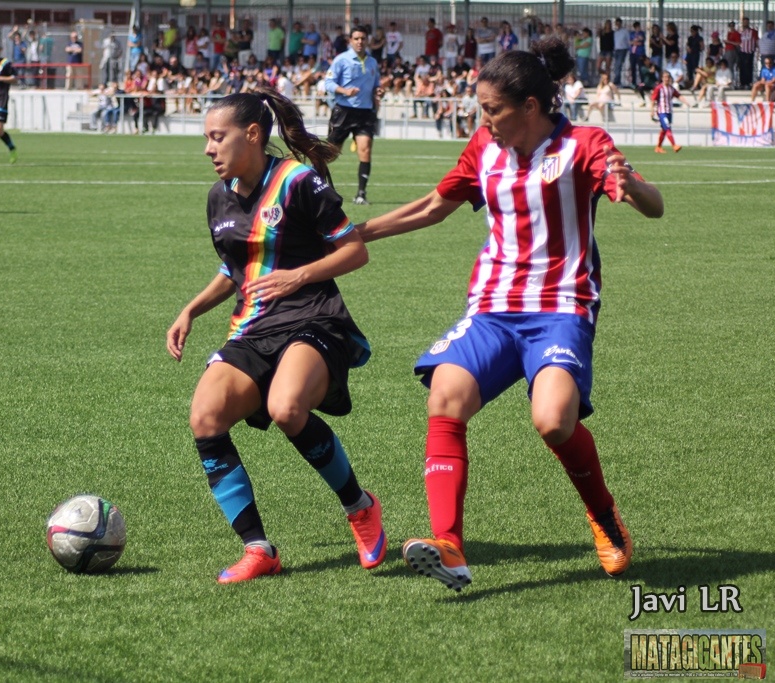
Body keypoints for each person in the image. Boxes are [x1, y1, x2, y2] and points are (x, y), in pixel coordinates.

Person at [354, 36, 663, 591]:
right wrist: (360, 231)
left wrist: (631, 183)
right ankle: (448, 545)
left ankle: (604, 515)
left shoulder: (586, 144)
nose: (484, 119)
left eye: (492, 109)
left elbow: (653, 205)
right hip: (493, 308)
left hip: (561, 308)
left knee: (553, 420)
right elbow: (433, 206)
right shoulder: (482, 148)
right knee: (444, 397)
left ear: (530, 108)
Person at [166, 87, 387, 584]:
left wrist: (299, 275)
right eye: (206, 138)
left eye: (217, 137)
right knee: (205, 417)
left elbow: (354, 251)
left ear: (251, 134)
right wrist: (191, 309)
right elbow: (234, 269)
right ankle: (258, 548)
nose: (208, 148)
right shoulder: (217, 198)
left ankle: (360, 506)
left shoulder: (297, 181)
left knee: (287, 408)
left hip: (313, 317)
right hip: (253, 327)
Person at [324, 26, 384, 205]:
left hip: (365, 113)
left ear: (367, 40)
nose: (360, 42)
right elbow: (328, 83)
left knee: (365, 150)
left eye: (363, 38)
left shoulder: (372, 62)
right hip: (343, 111)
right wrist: (344, 91)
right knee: (330, 154)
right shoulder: (341, 60)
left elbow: (376, 85)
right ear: (350, 40)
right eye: (356, 38)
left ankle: (361, 194)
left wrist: (378, 91)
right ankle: (311, 182)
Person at [650, 70, 688, 153]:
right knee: (667, 127)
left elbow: (679, 96)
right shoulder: (659, 88)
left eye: (668, 77)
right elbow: (653, 100)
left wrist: (686, 102)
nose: (666, 79)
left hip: (669, 112)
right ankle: (674, 145)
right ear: (662, 78)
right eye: (665, 77)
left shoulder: (671, 88)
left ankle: (658, 147)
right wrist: (652, 111)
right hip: (662, 112)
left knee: (664, 130)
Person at [738, 17, 759, 89]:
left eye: (747, 22)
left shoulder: (753, 31)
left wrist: (757, 51)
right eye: (744, 22)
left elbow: (756, 41)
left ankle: (748, 82)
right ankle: (742, 83)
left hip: (749, 52)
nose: (745, 23)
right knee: (742, 67)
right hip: (742, 52)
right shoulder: (740, 32)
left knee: (748, 68)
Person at [612, 18, 630, 87]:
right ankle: (617, 80)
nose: (618, 25)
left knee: (619, 65)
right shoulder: (615, 31)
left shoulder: (624, 31)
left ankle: (617, 81)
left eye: (619, 23)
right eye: (617, 23)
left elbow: (628, 41)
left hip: (622, 49)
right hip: (616, 50)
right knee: (616, 66)